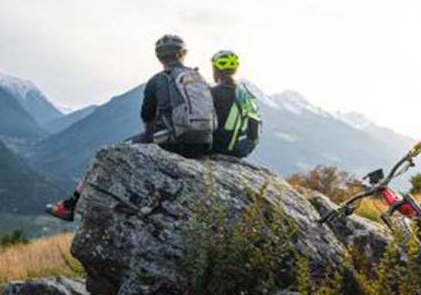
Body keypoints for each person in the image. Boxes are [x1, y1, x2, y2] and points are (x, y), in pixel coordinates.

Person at [46, 34, 217, 221]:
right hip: (204, 143)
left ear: (159, 57)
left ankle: (69, 206)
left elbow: (147, 116)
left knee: (107, 155)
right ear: (183, 53)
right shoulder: (200, 78)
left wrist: (151, 135)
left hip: (172, 143)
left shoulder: (157, 80)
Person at [209, 50, 262, 157]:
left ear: (216, 70)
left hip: (219, 147)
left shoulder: (214, 92)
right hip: (242, 149)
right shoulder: (246, 94)